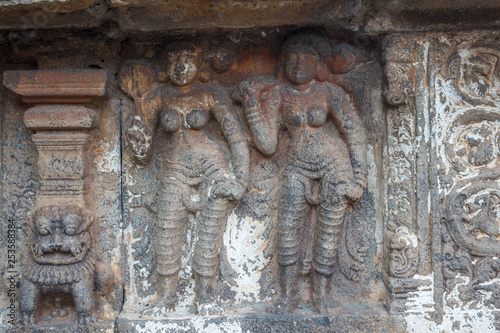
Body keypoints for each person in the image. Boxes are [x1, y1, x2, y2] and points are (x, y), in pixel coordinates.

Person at [237, 33, 367, 314]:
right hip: (296, 166)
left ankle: (321, 295)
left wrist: (359, 179)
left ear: (317, 64)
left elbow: (354, 133)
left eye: (306, 58)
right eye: (292, 58)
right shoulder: (277, 95)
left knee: (328, 233)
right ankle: (288, 295)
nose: (298, 64)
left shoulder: (329, 93)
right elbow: (268, 145)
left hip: (334, 165)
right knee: (288, 229)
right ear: (282, 64)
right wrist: (251, 106)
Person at [123, 43, 249, 315]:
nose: (181, 67)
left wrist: (239, 179)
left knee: (209, 234)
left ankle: (205, 296)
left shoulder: (210, 94)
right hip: (174, 168)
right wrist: (137, 139)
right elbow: (142, 154)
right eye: (174, 60)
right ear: (166, 69)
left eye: (188, 60)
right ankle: (166, 297)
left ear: (200, 66)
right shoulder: (158, 97)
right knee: (166, 231)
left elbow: (236, 138)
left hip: (212, 168)